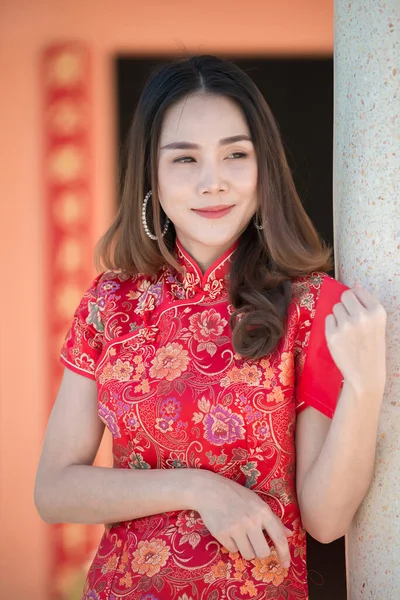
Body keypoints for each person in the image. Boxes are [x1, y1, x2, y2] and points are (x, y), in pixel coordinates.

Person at [34, 55, 387, 600]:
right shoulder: (110, 302)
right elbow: (54, 489)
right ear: (150, 175)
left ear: (263, 167)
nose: (212, 182)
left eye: (235, 155)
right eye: (184, 159)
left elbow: (326, 519)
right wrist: (200, 489)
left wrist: (366, 387)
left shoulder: (312, 305)